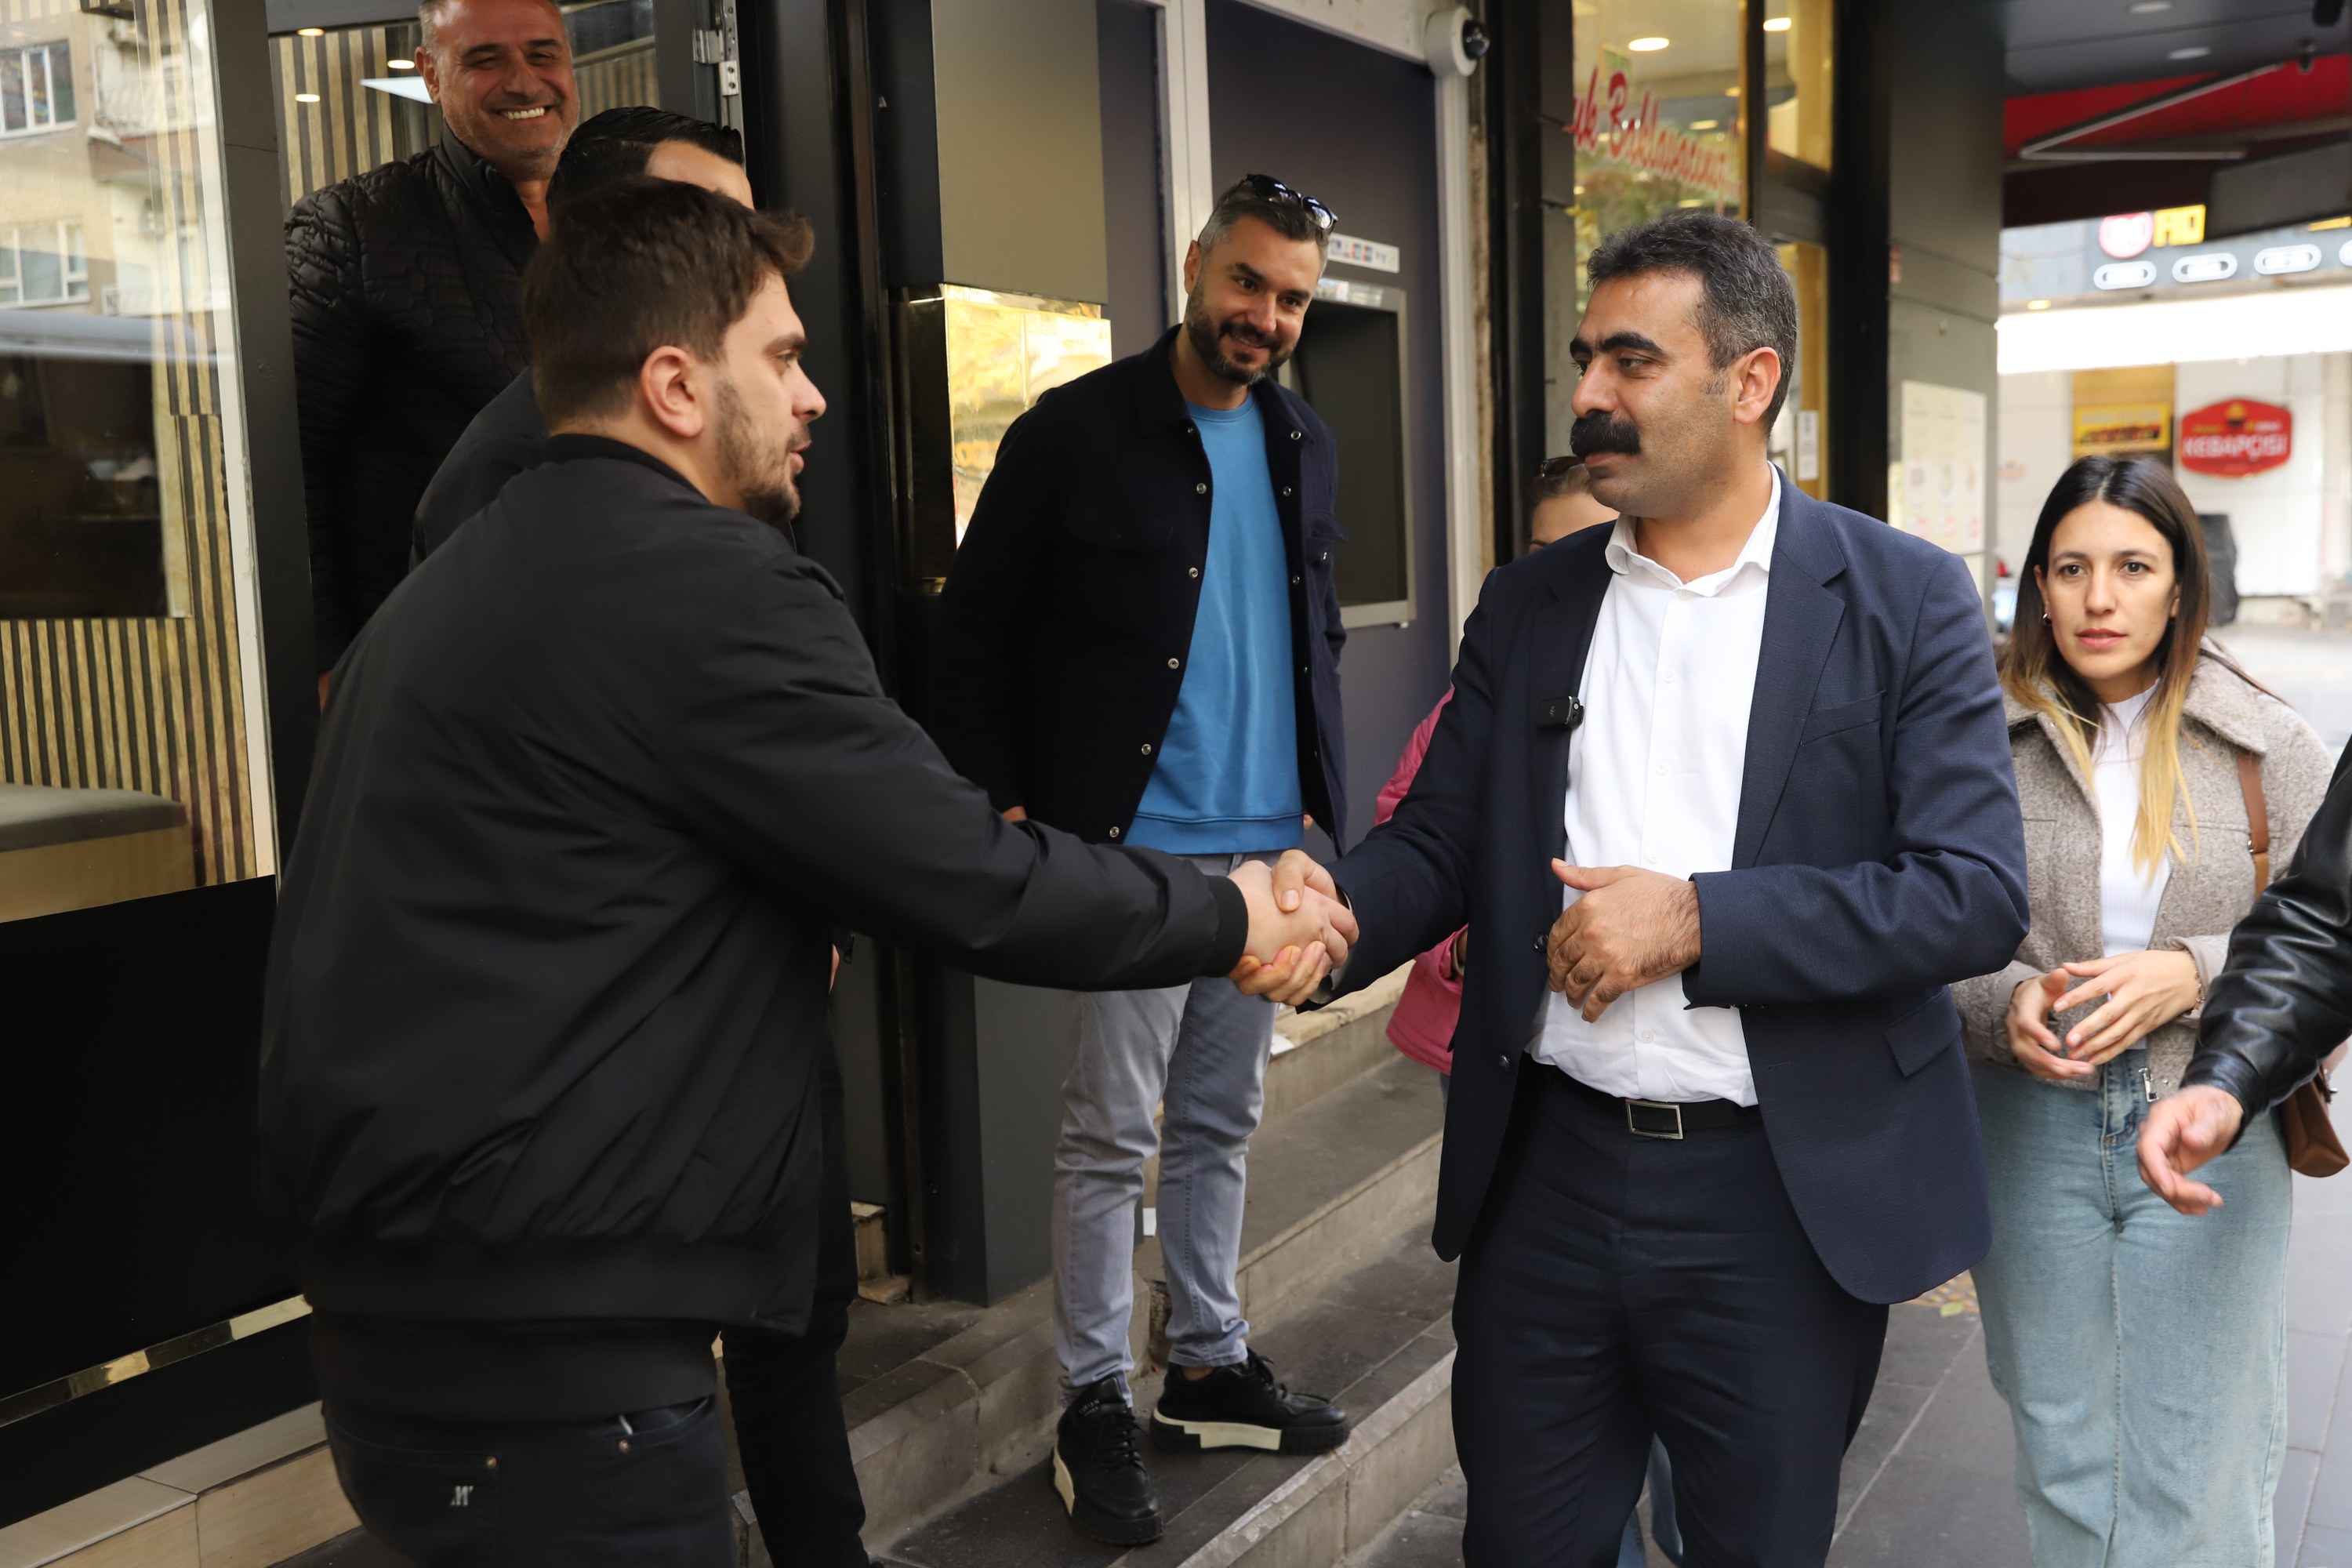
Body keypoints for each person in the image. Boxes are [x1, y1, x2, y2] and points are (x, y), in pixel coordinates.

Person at [259, 179, 1354, 1568]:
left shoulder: (442, 592)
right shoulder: (713, 586)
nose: (813, 395)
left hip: (409, 1328)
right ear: (675, 386)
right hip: (559, 1364)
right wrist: (1226, 911)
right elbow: (966, 875)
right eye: (781, 357)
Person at [1276, 209, 2030, 1563]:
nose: (1589, 395)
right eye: (1585, 359)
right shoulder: (1530, 602)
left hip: (1780, 1201)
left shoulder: (1906, 598)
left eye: (1632, 361)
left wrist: (1695, 919)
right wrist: (1328, 915)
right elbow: (1442, 840)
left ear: (1751, 383)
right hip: (1547, 1182)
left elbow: (1970, 893)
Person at [926, 174, 1352, 1546]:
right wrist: (997, 800)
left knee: (1223, 1120)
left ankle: (1209, 1362)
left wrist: (1318, 819)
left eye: (1292, 298)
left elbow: (1314, 638)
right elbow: (974, 629)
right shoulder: (1073, 431)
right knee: (1112, 1133)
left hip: (1266, 854)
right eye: (1247, 282)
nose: (1265, 315)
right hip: (1134, 857)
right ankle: (1094, 1396)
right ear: (1195, 266)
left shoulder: (1303, 439)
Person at [1951, 455, 2328, 1567]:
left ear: (2180, 586)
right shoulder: (1975, 741)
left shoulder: (2268, 743)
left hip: (2208, 1117)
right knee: (2061, 1448)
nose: (2099, 599)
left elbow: (2337, 937)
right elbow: (1913, 926)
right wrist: (2003, 1000)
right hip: (2025, 1124)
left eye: (2132, 567)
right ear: (2037, 585)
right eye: (2071, 569)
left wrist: (2197, 972)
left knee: (2200, 1460)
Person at [289, 0, 579, 694]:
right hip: (438, 673)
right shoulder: (352, 228)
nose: (524, 81)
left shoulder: (624, 213)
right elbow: (286, 468)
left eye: (542, 54)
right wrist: (329, 671)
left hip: (609, 649)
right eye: (485, 59)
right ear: (430, 73)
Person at [410, 107, 749, 563]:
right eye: (708, 228)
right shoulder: (509, 469)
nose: (750, 258)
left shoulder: (718, 407)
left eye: (749, 230)